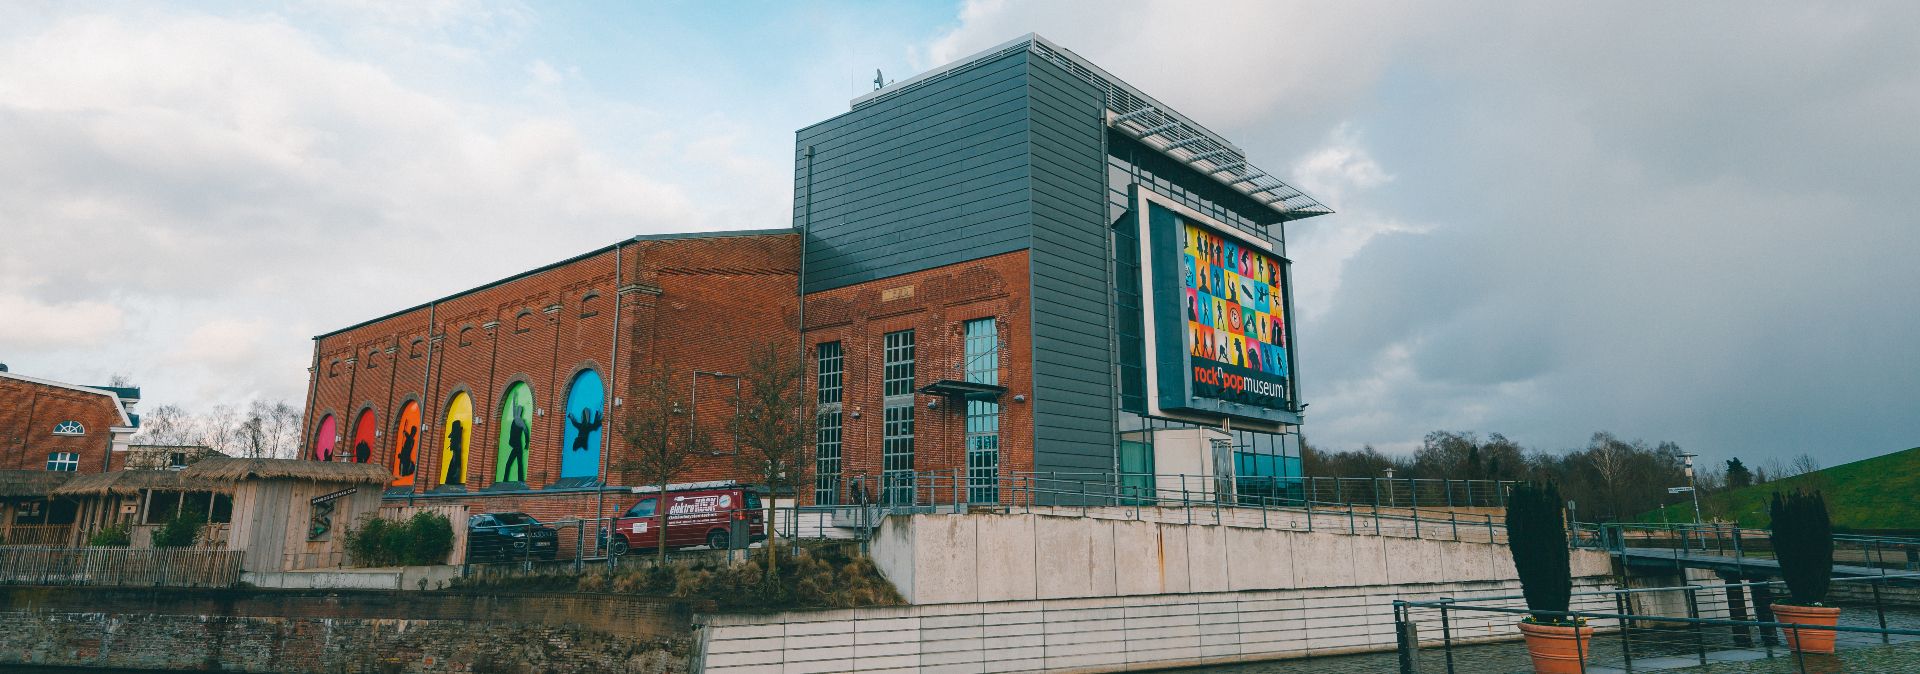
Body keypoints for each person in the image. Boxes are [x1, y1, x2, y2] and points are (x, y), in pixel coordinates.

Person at [503, 404, 529, 481]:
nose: (518, 411)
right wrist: (514, 399)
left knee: (511, 463)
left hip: (517, 446)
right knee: (517, 463)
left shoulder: (520, 421)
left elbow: (526, 432)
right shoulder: (516, 419)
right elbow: (526, 432)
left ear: (520, 412)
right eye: (518, 410)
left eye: (519, 410)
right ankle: (518, 479)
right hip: (516, 446)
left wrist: (527, 443)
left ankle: (506, 479)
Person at [444, 421, 466, 485]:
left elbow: (450, 437)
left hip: (455, 450)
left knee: (454, 463)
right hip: (457, 450)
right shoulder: (457, 432)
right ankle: (454, 479)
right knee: (456, 463)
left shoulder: (455, 433)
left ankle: (452, 479)